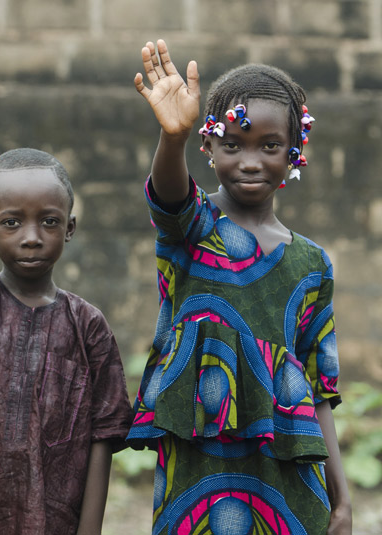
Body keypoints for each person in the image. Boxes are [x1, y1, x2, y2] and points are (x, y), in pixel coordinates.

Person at [126, 40, 352, 534]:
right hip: (196, 465)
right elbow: (168, 197)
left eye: (269, 146)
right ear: (207, 147)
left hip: (288, 478)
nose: (250, 160)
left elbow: (318, 393)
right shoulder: (193, 227)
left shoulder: (312, 265)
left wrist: (342, 500)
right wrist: (173, 136)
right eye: (232, 144)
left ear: (294, 151)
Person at [0, 132, 134, 534]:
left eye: (49, 221)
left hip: (54, 517)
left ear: (69, 228)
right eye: (11, 222)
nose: (32, 236)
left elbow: (103, 437)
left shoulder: (88, 324)